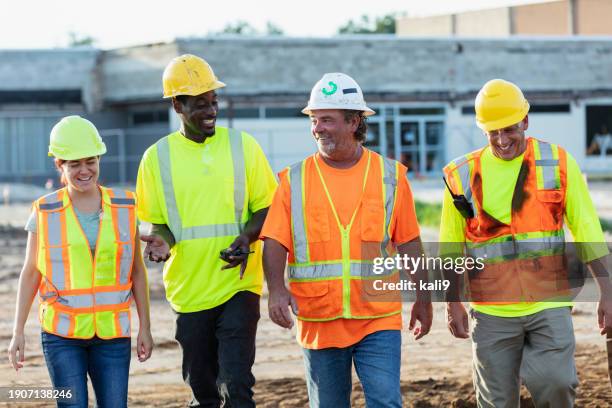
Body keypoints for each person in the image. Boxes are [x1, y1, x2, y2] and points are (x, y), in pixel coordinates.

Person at [261, 73, 433, 408]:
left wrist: (423, 298)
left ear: (354, 122)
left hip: (377, 316)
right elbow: (274, 241)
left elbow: (410, 242)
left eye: (327, 119)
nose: (318, 128)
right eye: (314, 120)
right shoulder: (293, 180)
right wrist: (276, 291)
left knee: (386, 402)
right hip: (320, 317)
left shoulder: (390, 176)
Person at [441, 79, 612, 407]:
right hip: (492, 311)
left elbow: (586, 228)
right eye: (493, 133)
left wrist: (607, 290)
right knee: (497, 401)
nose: (502, 141)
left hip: (548, 302)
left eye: (509, 130)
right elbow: (450, 245)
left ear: (525, 122)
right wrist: (452, 301)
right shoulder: (461, 175)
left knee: (557, 384)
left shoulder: (558, 163)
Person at [136, 54, 277, 407]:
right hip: (189, 290)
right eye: (200, 104)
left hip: (238, 284)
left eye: (214, 102)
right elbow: (160, 222)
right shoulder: (157, 158)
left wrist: (247, 237)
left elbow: (267, 206)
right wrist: (160, 244)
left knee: (237, 385)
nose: (211, 110)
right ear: (176, 105)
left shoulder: (242, 146)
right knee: (204, 391)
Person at [7, 115, 153, 408]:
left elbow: (137, 271)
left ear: (99, 159)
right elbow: (31, 272)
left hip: (112, 334)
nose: (84, 170)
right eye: (74, 164)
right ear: (60, 165)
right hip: (62, 335)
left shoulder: (125, 206)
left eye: (90, 161)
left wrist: (145, 328)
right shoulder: (45, 211)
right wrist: (17, 331)